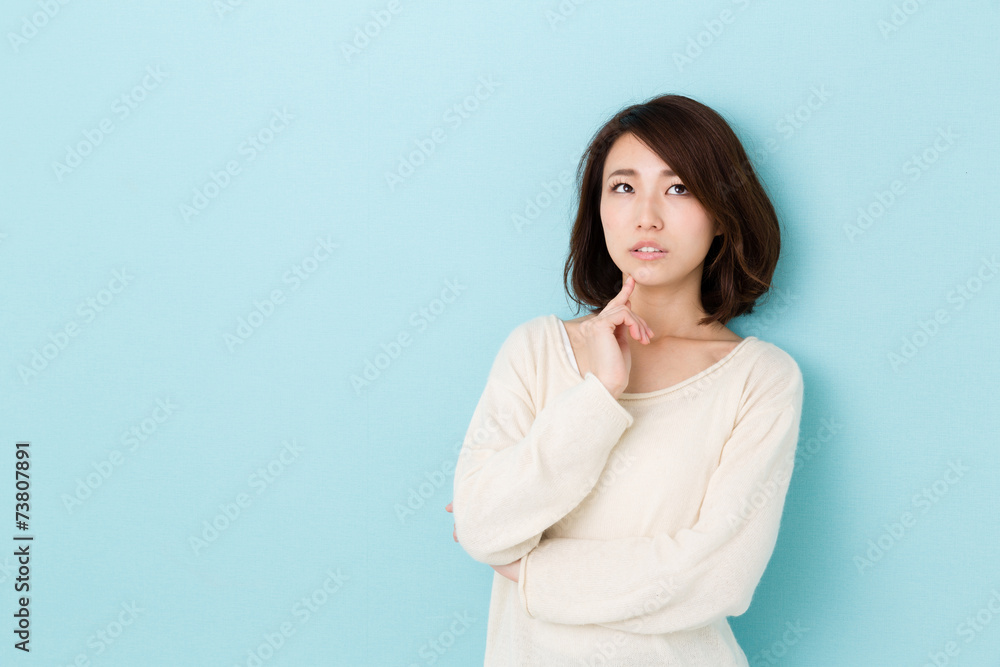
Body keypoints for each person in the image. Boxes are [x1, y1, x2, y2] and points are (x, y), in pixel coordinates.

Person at [446, 93, 805, 666]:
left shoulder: (759, 379)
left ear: (721, 214)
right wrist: (597, 397)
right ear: (599, 209)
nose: (648, 216)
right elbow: (485, 525)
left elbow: (717, 578)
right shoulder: (536, 350)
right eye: (623, 186)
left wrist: (530, 572)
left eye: (680, 187)